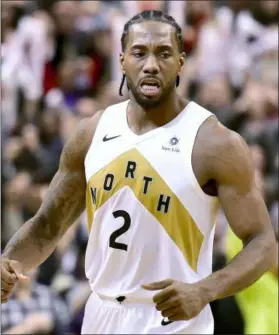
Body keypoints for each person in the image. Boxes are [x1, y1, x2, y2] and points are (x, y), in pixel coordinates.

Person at [1, 10, 276, 335]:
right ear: (122, 60)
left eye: (163, 53)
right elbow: (48, 224)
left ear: (181, 62)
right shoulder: (90, 133)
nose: (150, 64)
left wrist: (205, 290)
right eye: (139, 52)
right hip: (100, 314)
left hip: (172, 322)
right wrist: (10, 260)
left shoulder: (215, 143)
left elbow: (263, 242)